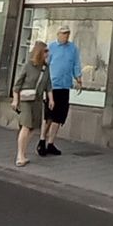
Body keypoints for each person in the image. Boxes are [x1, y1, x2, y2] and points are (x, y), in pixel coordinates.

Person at [41, 25, 80, 157]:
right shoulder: (51, 47)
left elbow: (76, 64)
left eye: (67, 33)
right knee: (49, 116)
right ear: (58, 34)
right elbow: (45, 65)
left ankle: (51, 143)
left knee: (59, 116)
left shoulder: (73, 48)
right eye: (63, 33)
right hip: (52, 86)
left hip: (65, 85)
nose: (66, 36)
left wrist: (78, 78)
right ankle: (42, 140)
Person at [12, 41, 52, 167]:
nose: (47, 54)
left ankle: (23, 150)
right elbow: (17, 84)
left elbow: (48, 85)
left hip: (38, 100)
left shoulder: (45, 68)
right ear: (39, 52)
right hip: (26, 100)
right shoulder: (28, 66)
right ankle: (20, 155)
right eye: (45, 51)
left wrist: (51, 99)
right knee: (26, 125)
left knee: (33, 127)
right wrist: (15, 99)